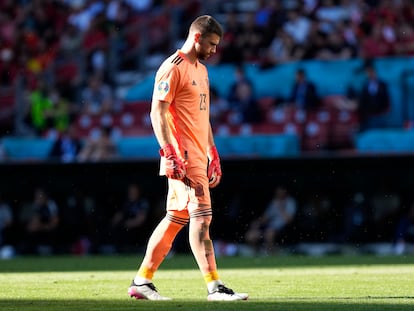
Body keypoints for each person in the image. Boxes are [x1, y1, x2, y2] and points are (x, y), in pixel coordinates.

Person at [127, 15, 248, 301]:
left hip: (196, 155)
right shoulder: (173, 67)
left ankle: (142, 281)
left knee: (176, 217)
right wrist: (169, 152)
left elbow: (202, 118)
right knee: (203, 219)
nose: (214, 50)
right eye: (212, 43)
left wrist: (212, 152)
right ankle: (214, 287)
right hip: (182, 156)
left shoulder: (201, 70)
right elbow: (157, 112)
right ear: (197, 38)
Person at [244, 185, 297, 255]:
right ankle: (257, 254)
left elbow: (289, 220)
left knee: (269, 233)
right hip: (269, 227)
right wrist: (257, 222)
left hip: (283, 229)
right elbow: (266, 217)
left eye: (280, 192)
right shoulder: (274, 202)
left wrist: (281, 208)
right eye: (277, 192)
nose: (279, 194)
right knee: (250, 235)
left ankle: (272, 254)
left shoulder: (290, 202)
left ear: (285, 192)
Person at [108, 183, 150, 253]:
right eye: (130, 192)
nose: (132, 193)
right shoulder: (127, 203)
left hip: (139, 229)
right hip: (126, 228)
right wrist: (113, 223)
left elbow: (141, 219)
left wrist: (128, 224)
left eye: (134, 191)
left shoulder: (142, 202)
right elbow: (119, 215)